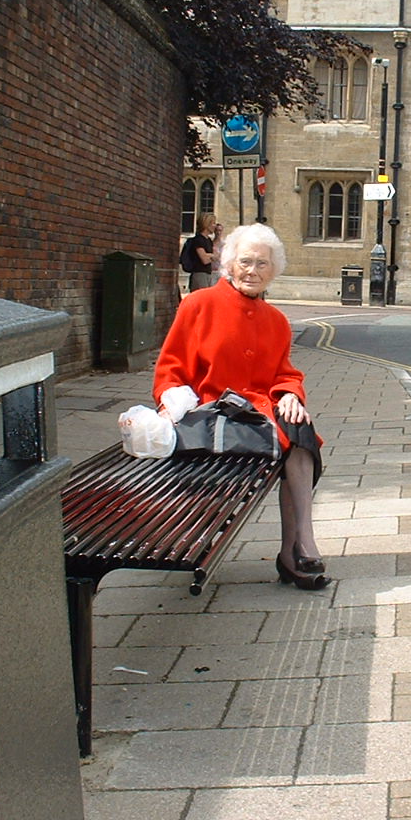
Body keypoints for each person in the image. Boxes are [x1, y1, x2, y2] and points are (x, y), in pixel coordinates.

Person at [153, 223, 330, 590]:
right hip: (213, 416)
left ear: (273, 270)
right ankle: (294, 552)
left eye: (262, 264)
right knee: (293, 437)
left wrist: (292, 395)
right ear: (229, 265)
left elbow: (285, 373)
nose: (253, 271)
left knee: (300, 432)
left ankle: (298, 544)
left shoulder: (278, 321)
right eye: (245, 262)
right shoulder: (198, 305)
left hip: (260, 417)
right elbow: (170, 370)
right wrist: (168, 404)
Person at [181, 214, 218, 292]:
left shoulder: (209, 241)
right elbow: (204, 259)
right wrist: (212, 256)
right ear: (206, 224)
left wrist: (210, 256)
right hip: (199, 274)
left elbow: (213, 258)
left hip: (208, 273)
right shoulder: (198, 240)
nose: (215, 226)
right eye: (213, 223)